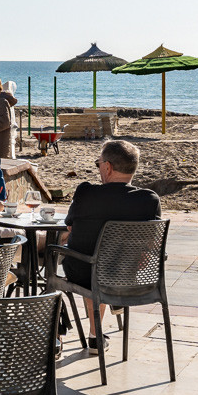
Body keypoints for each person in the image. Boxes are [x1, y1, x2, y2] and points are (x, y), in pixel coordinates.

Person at [58, 139, 163, 343]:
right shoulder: (149, 200)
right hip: (128, 275)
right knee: (106, 264)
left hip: (84, 272)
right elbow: (151, 245)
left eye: (98, 163)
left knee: (83, 260)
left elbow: (70, 226)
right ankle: (95, 335)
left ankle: (55, 337)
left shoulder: (86, 193)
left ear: (108, 167)